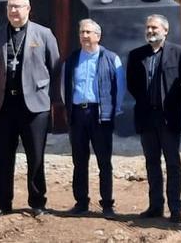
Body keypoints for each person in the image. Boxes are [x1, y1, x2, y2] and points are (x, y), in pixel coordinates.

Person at [0, 0, 61, 217]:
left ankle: (38, 201)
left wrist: (48, 96)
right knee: (2, 156)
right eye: (10, 7)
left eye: (18, 7)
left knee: (35, 156)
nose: (13, 11)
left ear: (29, 8)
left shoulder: (44, 34)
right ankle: (2, 202)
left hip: (34, 107)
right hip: (4, 104)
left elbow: (54, 66)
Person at [126, 14, 181, 224]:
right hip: (146, 117)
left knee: (173, 163)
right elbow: (132, 84)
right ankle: (155, 206)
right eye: (148, 28)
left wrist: (174, 105)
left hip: (169, 117)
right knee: (151, 163)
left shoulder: (178, 53)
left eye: (155, 28)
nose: (151, 31)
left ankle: (175, 208)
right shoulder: (136, 55)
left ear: (165, 30)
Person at [62, 19, 124, 219]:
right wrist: (69, 109)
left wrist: (114, 111)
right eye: (82, 32)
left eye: (88, 32)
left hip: (100, 115)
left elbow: (120, 88)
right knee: (79, 161)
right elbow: (65, 88)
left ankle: (107, 204)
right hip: (78, 115)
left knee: (104, 162)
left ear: (98, 35)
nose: (84, 36)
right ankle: (81, 202)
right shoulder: (71, 59)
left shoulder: (111, 58)